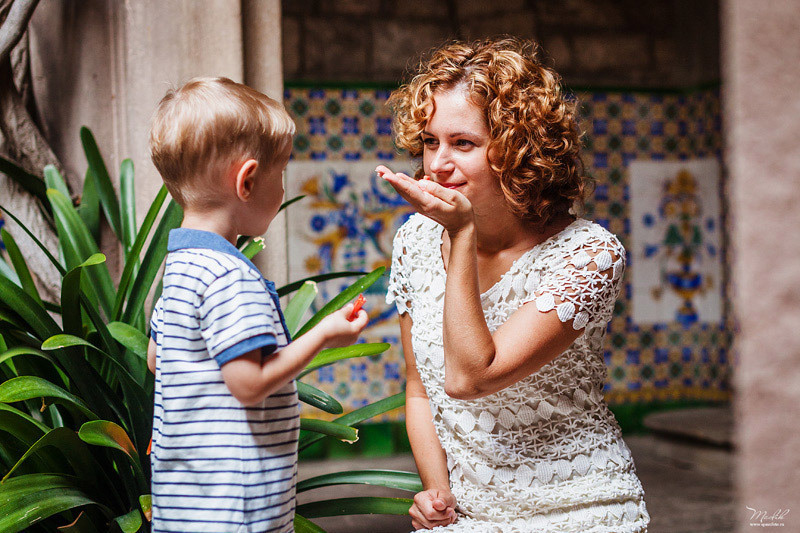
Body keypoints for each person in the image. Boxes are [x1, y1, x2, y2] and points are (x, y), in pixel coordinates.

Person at [381, 38, 650, 532]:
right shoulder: (415, 241)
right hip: (466, 513)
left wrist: (461, 234)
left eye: (463, 143)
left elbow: (470, 377)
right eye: (429, 141)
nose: (437, 163)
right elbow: (420, 389)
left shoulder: (589, 256)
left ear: (519, 150)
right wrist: (435, 493)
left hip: (580, 508)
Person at [145, 77, 369, 533]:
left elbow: (156, 358)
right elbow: (248, 384)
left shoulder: (181, 266)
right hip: (238, 507)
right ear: (247, 180)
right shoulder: (231, 277)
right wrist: (324, 334)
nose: (283, 187)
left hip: (185, 503)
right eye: (281, 172)